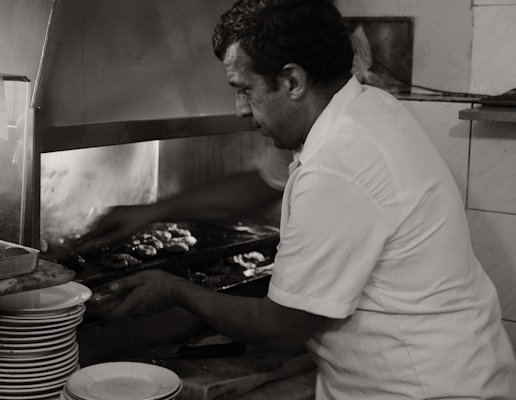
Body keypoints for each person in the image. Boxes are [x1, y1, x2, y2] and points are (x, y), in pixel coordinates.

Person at [76, 0, 516, 398]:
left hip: (421, 389)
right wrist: (154, 211)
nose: (240, 109)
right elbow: (262, 185)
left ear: (292, 80)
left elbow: (280, 328)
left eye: (244, 88)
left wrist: (174, 289)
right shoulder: (361, 110)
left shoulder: (339, 165)